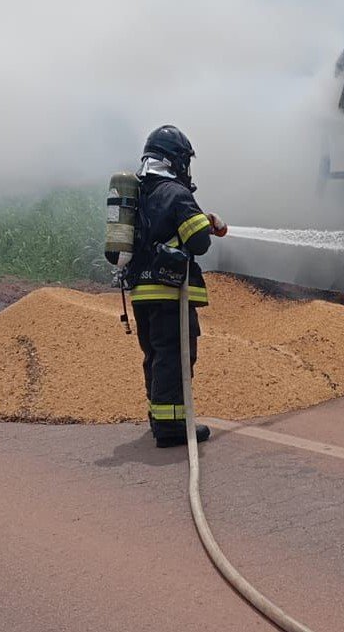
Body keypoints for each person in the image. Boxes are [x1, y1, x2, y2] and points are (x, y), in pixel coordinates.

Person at [127, 125, 228, 448]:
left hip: (141, 293)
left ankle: (159, 418)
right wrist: (207, 223)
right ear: (176, 161)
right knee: (174, 356)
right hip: (170, 293)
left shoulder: (139, 194)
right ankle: (172, 427)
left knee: (154, 355)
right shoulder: (176, 194)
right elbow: (198, 243)